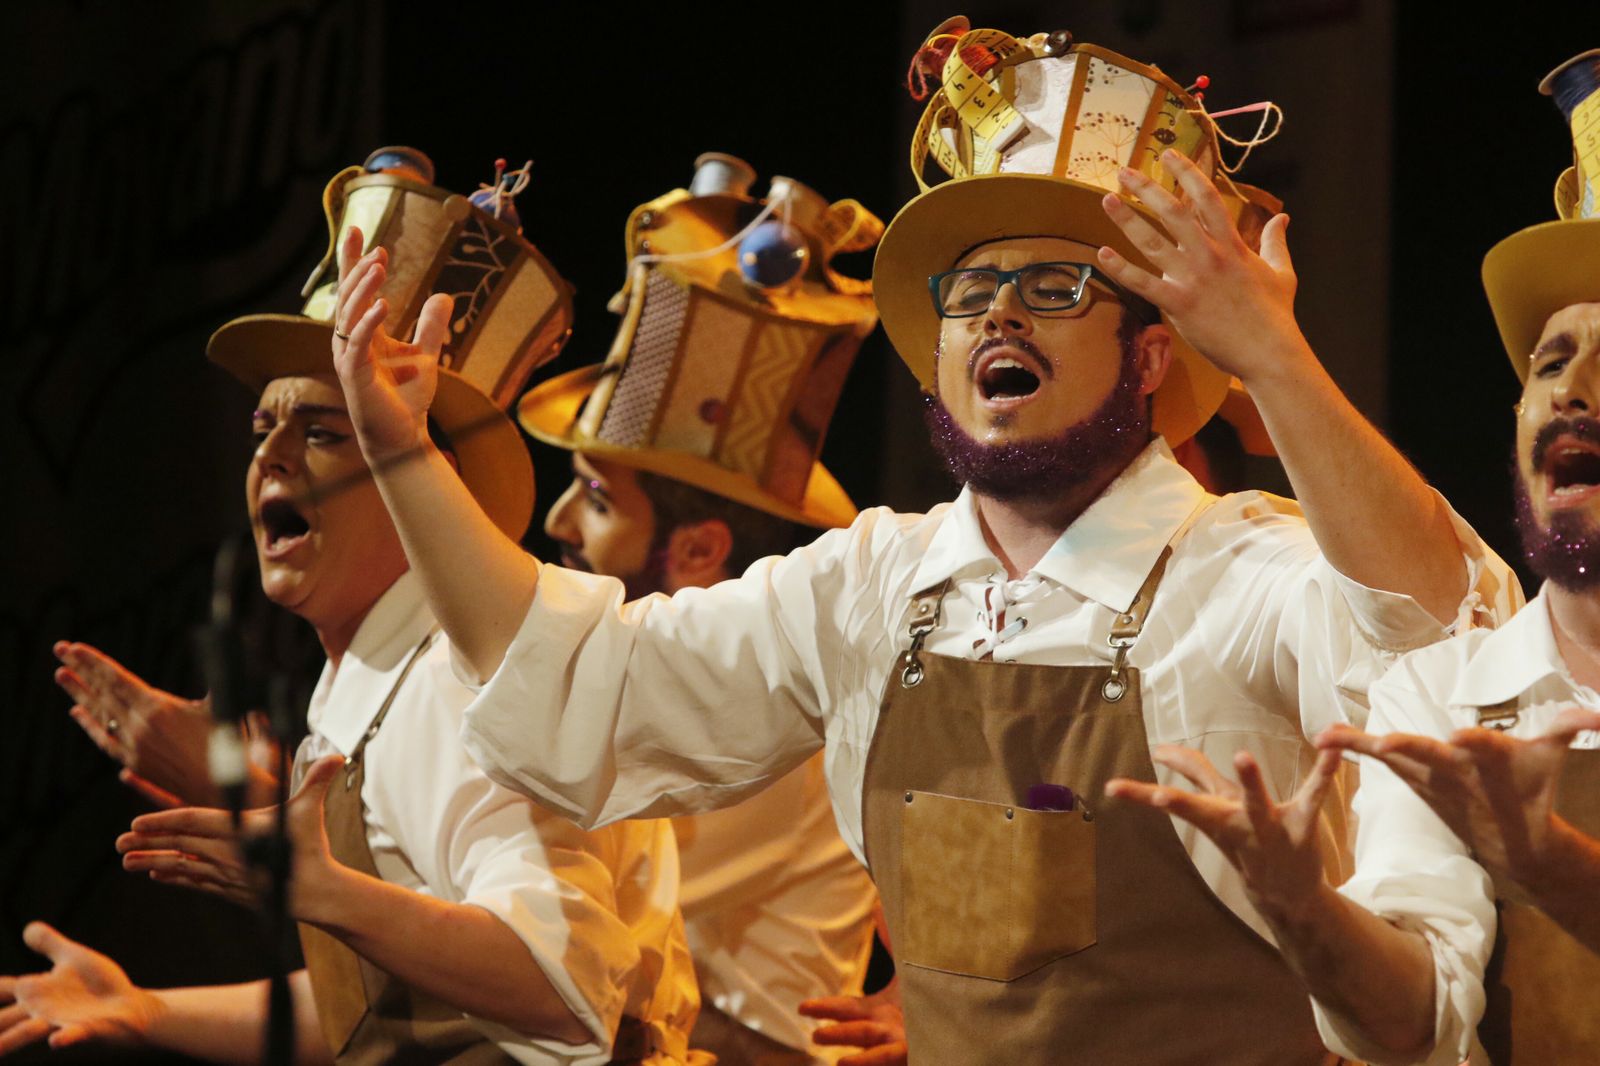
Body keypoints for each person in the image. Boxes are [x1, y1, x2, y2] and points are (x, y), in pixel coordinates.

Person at [327, 25, 1516, 1065]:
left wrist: (1273, 357)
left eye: (1054, 286)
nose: (998, 310)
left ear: (1151, 357)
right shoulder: (871, 586)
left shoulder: (1240, 574)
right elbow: (578, 678)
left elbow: (1437, 625)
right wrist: (401, 454)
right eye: (970, 290)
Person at [0, 150, 700, 1065]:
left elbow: (564, 989)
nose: (272, 455)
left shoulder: (464, 681)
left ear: (425, 482)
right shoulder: (366, 681)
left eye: (324, 431)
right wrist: (145, 1009)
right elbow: (388, 1005)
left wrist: (322, 888)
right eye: (264, 427)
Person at [515, 154, 884, 1064]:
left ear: (698, 551)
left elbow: (559, 919)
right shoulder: (644, 680)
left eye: (596, 500)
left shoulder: (769, 705)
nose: (557, 523)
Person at [1310, 51, 1600, 1065]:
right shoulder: (1436, 697)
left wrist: (1550, 864)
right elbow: (1413, 1030)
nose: (1571, 389)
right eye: (1550, 361)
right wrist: (1304, 915)